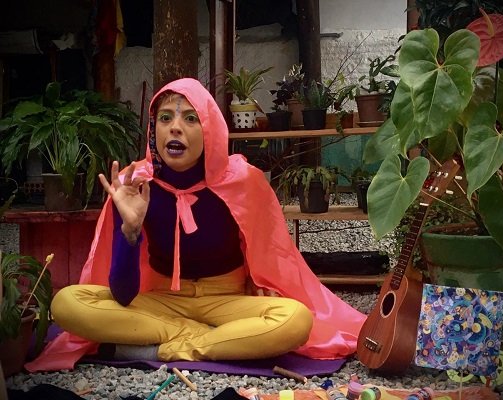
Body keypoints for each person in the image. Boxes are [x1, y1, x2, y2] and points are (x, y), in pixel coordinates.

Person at [26, 78, 366, 371]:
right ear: (154, 130)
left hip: (227, 301)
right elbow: (124, 294)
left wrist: (261, 286)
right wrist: (129, 231)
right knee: (66, 303)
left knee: (296, 320)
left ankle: (164, 348)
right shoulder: (135, 184)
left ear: (210, 131)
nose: (175, 127)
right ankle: (210, 341)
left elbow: (273, 258)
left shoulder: (243, 181)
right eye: (165, 118)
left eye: (190, 118)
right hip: (161, 301)